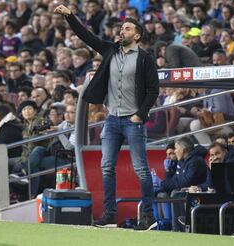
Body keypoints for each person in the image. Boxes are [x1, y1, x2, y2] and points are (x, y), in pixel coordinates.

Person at [55, 5, 159, 230]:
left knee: (141, 168)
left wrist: (140, 115)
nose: (122, 31)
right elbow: (86, 37)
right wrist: (69, 16)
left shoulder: (144, 58)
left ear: (137, 35)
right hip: (112, 119)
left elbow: (153, 90)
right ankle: (109, 213)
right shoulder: (110, 50)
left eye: (127, 29)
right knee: (106, 167)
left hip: (133, 120)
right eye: (122, 28)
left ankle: (149, 216)